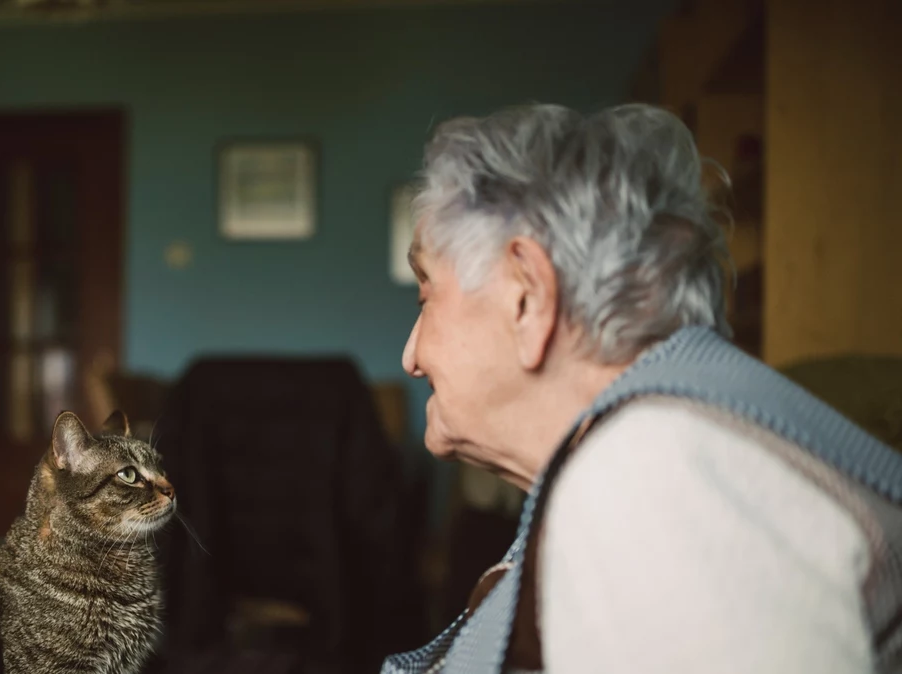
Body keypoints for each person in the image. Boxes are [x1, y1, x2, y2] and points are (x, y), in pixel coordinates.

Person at [383, 103, 902, 673]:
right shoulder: (659, 454)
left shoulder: (653, 477)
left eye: (425, 295)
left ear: (526, 297)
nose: (411, 356)